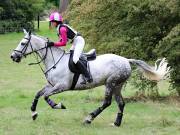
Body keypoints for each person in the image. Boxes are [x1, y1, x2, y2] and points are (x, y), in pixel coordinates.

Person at [47, 12, 92, 83]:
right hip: (75, 42)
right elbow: (62, 40)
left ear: (56, 21)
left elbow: (64, 43)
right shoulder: (60, 28)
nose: (51, 23)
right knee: (69, 56)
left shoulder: (62, 29)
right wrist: (53, 44)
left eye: (52, 22)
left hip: (79, 41)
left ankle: (88, 76)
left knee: (75, 59)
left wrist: (53, 44)